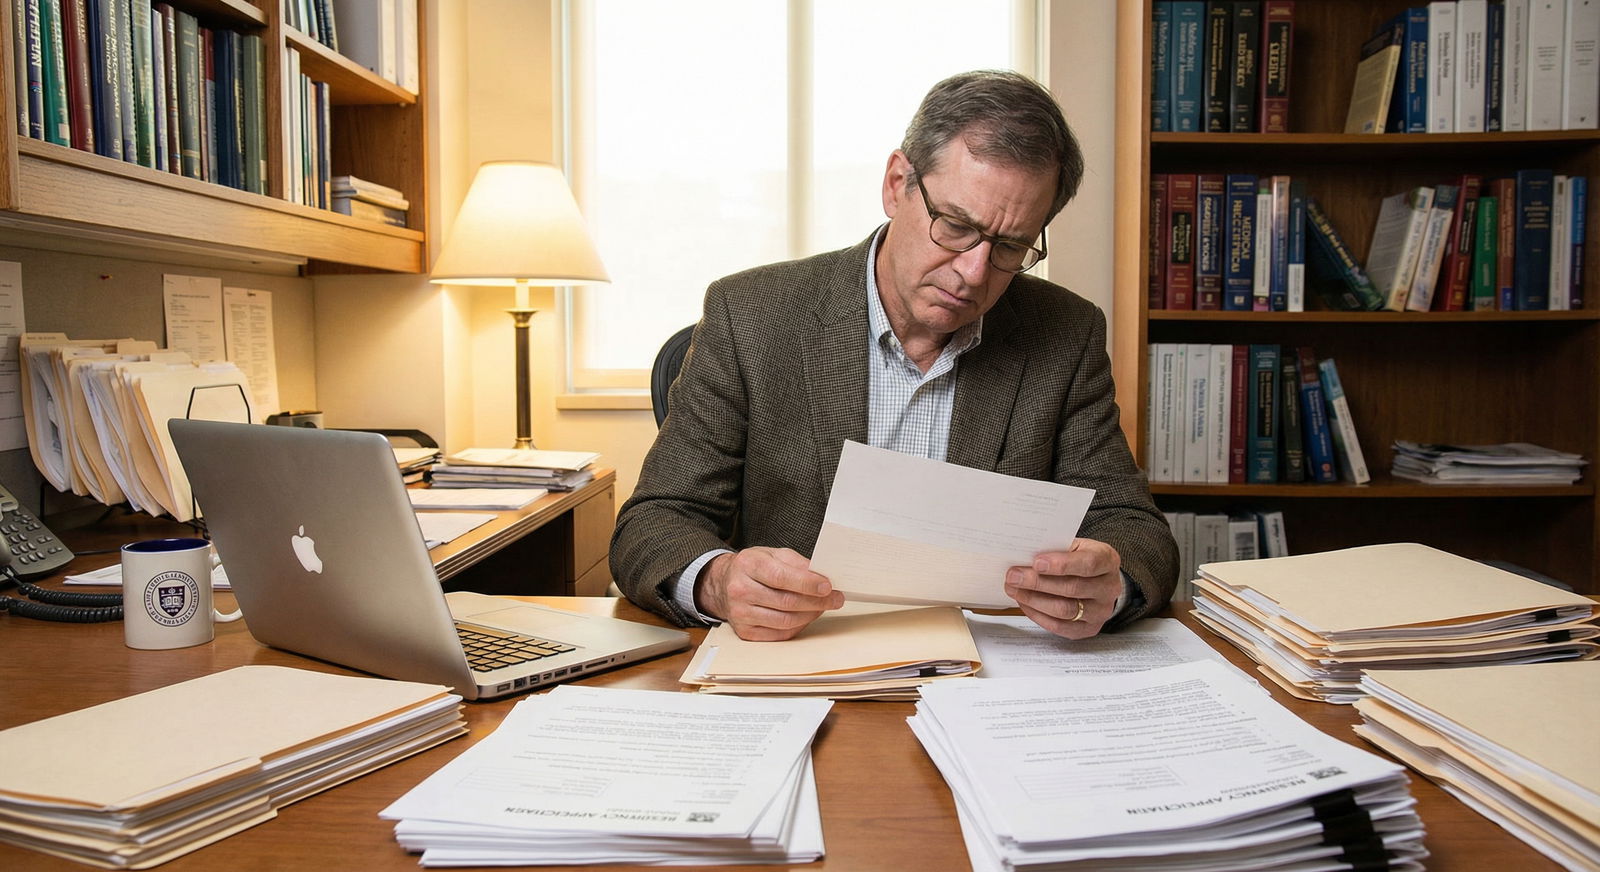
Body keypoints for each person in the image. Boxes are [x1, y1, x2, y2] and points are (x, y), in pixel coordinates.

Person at [610, 70, 1177, 641]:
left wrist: (1111, 584)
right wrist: (719, 580)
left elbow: (1135, 529)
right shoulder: (752, 313)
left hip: (988, 670)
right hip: (804, 655)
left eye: (1010, 246)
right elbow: (656, 522)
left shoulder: (1065, 332)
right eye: (955, 226)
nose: (973, 273)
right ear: (896, 183)